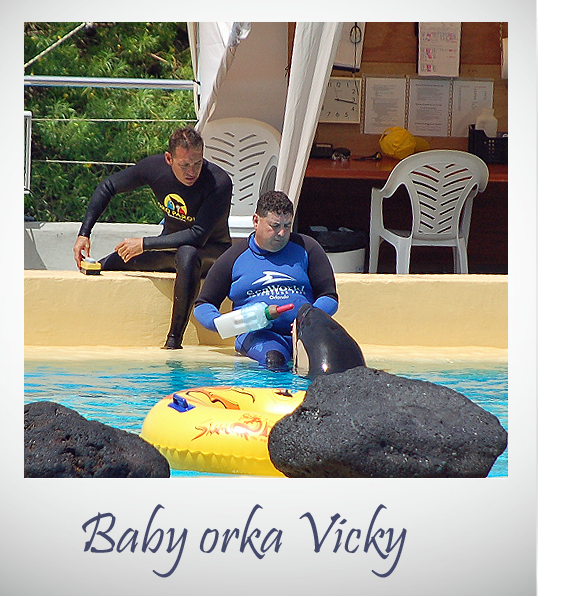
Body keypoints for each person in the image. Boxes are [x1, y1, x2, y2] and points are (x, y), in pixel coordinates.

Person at [73, 126, 233, 349]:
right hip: (171, 249)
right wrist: (84, 233)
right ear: (169, 159)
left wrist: (144, 244)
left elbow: (197, 236)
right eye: (184, 165)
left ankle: (174, 340)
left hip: (212, 253)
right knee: (107, 264)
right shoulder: (155, 168)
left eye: (197, 163)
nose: (191, 172)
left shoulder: (218, 181)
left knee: (188, 254)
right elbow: (107, 186)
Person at [194, 190, 339, 370]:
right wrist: (223, 324)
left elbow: (329, 296)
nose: (282, 233)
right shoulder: (234, 257)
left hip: (305, 334)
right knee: (274, 360)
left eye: (287, 225)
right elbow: (203, 304)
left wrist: (307, 319)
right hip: (260, 336)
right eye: (275, 226)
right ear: (256, 221)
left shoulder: (307, 248)